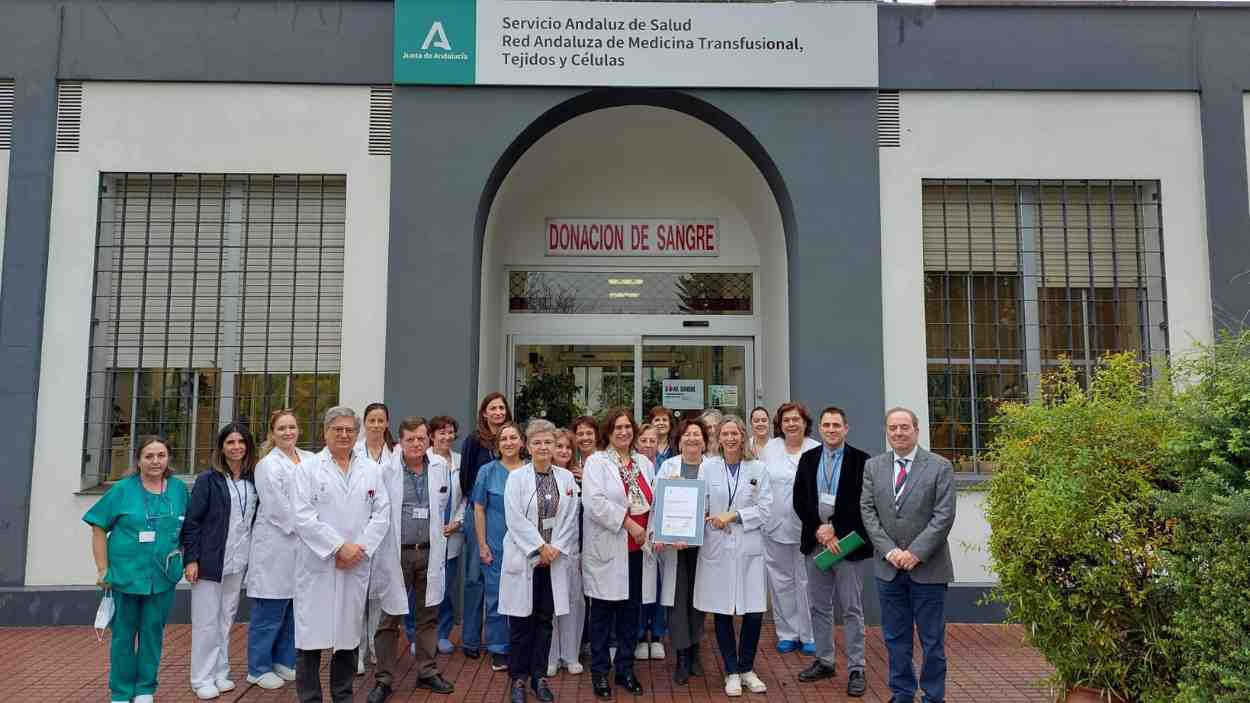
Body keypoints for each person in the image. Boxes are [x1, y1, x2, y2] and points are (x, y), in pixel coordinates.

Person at [291, 406, 391, 703]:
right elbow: (303, 517)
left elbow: (382, 514)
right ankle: (310, 698)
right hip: (318, 566)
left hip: (355, 564)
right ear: (325, 432)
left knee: (347, 639)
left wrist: (358, 549)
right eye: (338, 429)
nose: (344, 435)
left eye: (349, 429)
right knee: (310, 642)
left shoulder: (371, 469)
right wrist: (339, 547)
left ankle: (343, 696)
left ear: (356, 433)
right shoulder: (307, 469)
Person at [860, 407, 956, 703]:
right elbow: (867, 510)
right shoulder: (874, 467)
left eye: (904, 427)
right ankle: (902, 693)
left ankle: (932, 696)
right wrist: (889, 550)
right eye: (893, 428)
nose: (898, 433)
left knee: (932, 641)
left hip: (927, 568)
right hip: (889, 570)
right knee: (895, 639)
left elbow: (944, 515)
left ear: (916, 430)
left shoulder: (939, 466)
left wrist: (915, 552)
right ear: (887, 431)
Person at [85, 436, 189, 703]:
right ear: (139, 460)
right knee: (123, 636)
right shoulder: (123, 490)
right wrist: (102, 569)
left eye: (161, 455)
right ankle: (121, 692)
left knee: (152, 634)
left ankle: (145, 689)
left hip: (162, 577)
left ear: (168, 459)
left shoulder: (178, 490)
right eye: (149, 456)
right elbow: (98, 526)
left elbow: (186, 530)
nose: (156, 461)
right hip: (125, 576)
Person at [367, 417, 455, 703]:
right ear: (400, 442)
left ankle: (427, 672)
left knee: (428, 616)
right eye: (410, 439)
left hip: (429, 551)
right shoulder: (387, 470)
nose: (416, 444)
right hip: (397, 553)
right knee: (389, 617)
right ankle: (384, 679)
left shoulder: (439, 468)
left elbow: (441, 506)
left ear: (428, 439)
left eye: (421, 438)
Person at [792, 407, 872, 696]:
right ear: (820, 429)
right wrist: (818, 529)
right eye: (826, 425)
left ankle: (856, 668)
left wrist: (835, 528)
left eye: (836, 425)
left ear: (846, 428)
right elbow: (800, 499)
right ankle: (825, 661)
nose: (831, 429)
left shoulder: (862, 461)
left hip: (847, 544)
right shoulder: (808, 458)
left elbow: (864, 503)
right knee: (819, 606)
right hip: (816, 543)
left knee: (851, 609)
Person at [499, 419, 581, 703]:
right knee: (522, 623)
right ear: (528, 446)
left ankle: (539, 677)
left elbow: (571, 519)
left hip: (553, 561)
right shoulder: (517, 478)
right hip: (527, 560)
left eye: (548, 442)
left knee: (545, 620)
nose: (544, 447)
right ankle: (518, 679)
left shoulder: (566, 479)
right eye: (537, 442)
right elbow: (515, 519)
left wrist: (555, 548)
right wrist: (539, 548)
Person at [693, 416, 773, 697]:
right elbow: (699, 504)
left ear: (742, 436)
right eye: (725, 433)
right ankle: (731, 671)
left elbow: (766, 509)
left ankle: (747, 668)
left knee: (753, 612)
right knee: (722, 610)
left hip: (749, 546)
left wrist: (736, 515)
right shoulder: (707, 467)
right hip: (717, 546)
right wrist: (698, 518)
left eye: (735, 433)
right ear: (719, 438)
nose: (730, 438)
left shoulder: (758, 469)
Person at [582, 408, 657, 699]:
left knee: (630, 613)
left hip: (639, 550)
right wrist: (628, 525)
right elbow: (594, 502)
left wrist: (653, 532)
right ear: (608, 432)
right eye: (618, 427)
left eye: (628, 427)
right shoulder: (597, 462)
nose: (624, 432)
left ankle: (625, 669)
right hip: (609, 548)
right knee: (601, 614)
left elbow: (655, 499)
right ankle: (600, 673)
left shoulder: (644, 462)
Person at [182, 423, 259, 700]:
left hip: (238, 561)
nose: (236, 446)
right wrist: (191, 559)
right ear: (221, 447)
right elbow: (192, 523)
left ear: (247, 446)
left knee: (226, 619)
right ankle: (201, 678)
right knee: (206, 621)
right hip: (209, 562)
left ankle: (220, 672)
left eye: (241, 442)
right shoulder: (208, 480)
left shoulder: (253, 480)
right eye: (230, 442)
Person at [247, 410, 313, 690]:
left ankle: (284, 661)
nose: (288, 432)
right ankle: (258, 667)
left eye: (292, 427)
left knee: (292, 608)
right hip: (276, 546)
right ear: (272, 433)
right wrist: (310, 528)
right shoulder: (266, 465)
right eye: (282, 428)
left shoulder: (309, 459)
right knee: (270, 610)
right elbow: (276, 507)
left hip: (302, 546)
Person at [654, 418, 712, 685]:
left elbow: (717, 502)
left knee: (698, 599)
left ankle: (696, 649)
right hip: (676, 546)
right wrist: (668, 534)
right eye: (687, 435)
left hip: (704, 544)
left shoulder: (712, 467)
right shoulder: (668, 466)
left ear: (704, 440)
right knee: (678, 601)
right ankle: (682, 656)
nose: (692, 439)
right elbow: (659, 503)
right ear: (680, 439)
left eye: (696, 435)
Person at [759, 402, 819, 655]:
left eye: (796, 419)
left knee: (807, 582)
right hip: (774, 526)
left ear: (805, 423)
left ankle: (810, 635)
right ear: (780, 425)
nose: (792, 424)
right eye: (786, 420)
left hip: (808, 528)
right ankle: (787, 633)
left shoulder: (816, 449)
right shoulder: (770, 449)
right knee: (780, 581)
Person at [460, 392, 512, 659]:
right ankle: (470, 639)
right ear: (484, 413)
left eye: (502, 408)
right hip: (478, 512)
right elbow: (466, 479)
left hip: (504, 517)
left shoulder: (512, 442)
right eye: (492, 408)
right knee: (475, 577)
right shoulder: (473, 441)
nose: (497, 412)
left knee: (499, 580)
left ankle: (500, 640)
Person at [473, 420, 526, 671]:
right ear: (497, 444)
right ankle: (498, 648)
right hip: (496, 544)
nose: (508, 443)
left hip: (527, 546)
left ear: (522, 442)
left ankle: (522, 644)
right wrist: (482, 544)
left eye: (513, 437)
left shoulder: (530, 470)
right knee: (495, 597)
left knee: (526, 597)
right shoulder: (487, 471)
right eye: (503, 439)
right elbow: (479, 508)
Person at [355, 402, 397, 675]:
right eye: (371, 420)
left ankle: (374, 646)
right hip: (359, 530)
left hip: (387, 532)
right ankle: (356, 652)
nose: (376, 425)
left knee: (379, 595)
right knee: (358, 594)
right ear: (365, 423)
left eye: (381, 420)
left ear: (387, 424)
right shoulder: (355, 453)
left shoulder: (395, 454)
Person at [547, 429, 586, 677]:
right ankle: (550, 656)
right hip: (548, 551)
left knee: (573, 602)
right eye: (558, 446)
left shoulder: (580, 478)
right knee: (549, 605)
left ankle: (570, 654)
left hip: (574, 550)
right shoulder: (541, 476)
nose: (563, 451)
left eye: (567, 448)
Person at [427, 415, 465, 656]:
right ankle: (418, 636)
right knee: (421, 589)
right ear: (432, 435)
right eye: (441, 432)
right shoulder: (423, 459)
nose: (446, 437)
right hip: (428, 534)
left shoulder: (461, 461)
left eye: (450, 432)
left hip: (452, 533)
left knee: (446, 587)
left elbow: (467, 497)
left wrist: (457, 522)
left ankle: (441, 634)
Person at [632, 423, 667, 662]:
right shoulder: (631, 467)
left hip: (660, 539)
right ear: (636, 443)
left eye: (652, 441)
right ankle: (638, 636)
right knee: (639, 588)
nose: (647, 445)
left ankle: (656, 636)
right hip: (637, 537)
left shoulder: (667, 467)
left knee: (660, 588)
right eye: (643, 440)